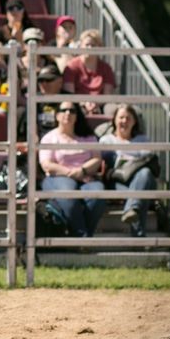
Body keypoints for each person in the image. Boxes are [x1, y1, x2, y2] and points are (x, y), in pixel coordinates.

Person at [38, 101, 106, 237]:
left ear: (77, 115)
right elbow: (46, 164)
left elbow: (97, 159)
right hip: (57, 178)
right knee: (68, 192)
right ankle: (83, 237)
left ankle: (81, 237)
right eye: (64, 110)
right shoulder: (49, 138)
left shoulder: (88, 137)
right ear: (57, 116)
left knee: (98, 193)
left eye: (72, 111)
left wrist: (83, 170)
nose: (68, 113)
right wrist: (69, 172)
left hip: (86, 177)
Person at [99, 104, 157, 238]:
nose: (124, 121)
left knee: (145, 174)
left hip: (141, 179)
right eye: (121, 117)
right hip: (116, 182)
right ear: (114, 120)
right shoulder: (106, 140)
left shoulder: (143, 140)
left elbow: (148, 161)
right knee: (139, 193)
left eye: (128, 118)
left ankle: (131, 208)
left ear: (135, 121)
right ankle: (139, 236)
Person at [63, 29, 117, 115]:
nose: (90, 48)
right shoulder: (71, 66)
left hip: (101, 104)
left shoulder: (106, 68)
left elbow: (108, 95)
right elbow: (69, 93)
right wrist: (84, 103)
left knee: (113, 110)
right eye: (87, 45)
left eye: (93, 45)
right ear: (81, 46)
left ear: (100, 47)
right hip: (78, 103)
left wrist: (96, 104)